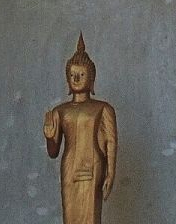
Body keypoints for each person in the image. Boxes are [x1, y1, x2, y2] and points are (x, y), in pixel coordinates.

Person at [44, 34, 118, 224]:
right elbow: (53, 152)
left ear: (91, 79)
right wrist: (50, 137)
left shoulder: (102, 108)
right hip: (69, 166)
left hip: (92, 164)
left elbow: (110, 141)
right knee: (70, 217)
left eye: (82, 74)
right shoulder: (60, 111)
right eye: (72, 75)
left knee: (91, 215)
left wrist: (111, 171)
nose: (76, 78)